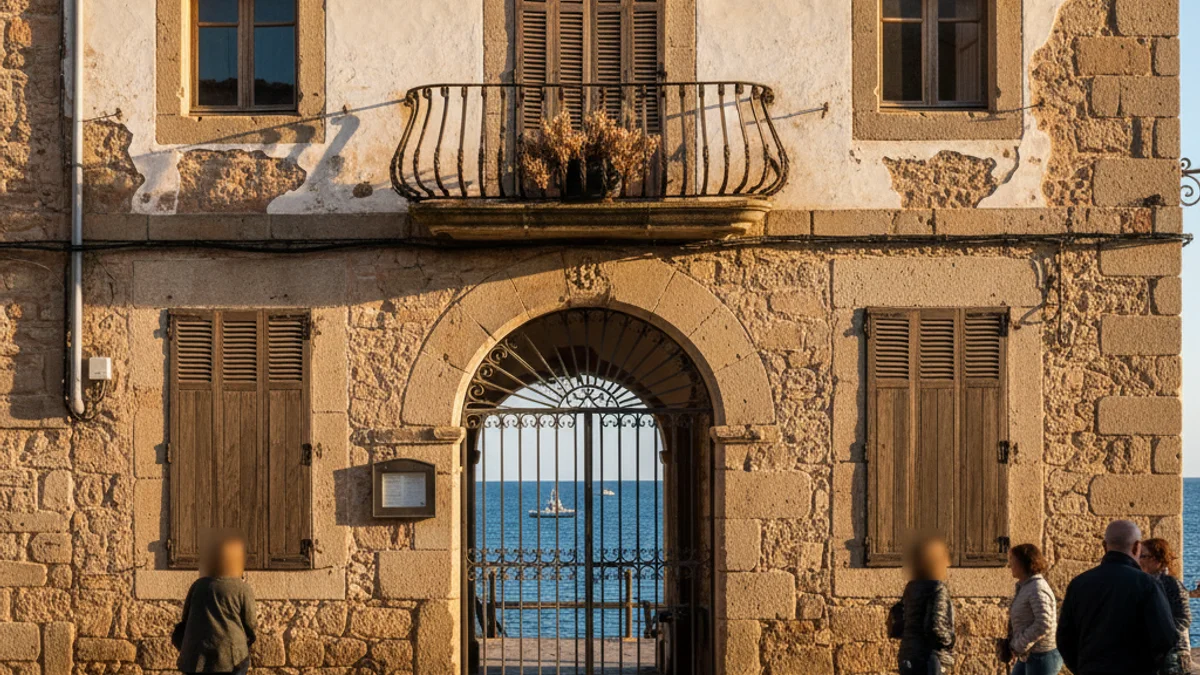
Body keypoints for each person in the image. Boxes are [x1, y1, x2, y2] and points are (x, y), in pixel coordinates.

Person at [1056, 520, 1177, 675]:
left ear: (1104, 546)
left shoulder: (1079, 584)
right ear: (1136, 547)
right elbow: (1166, 637)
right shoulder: (1147, 584)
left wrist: (1082, 668)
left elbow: (1064, 638)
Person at [173, 533, 257, 675]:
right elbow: (250, 623)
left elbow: (185, 618)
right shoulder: (242, 589)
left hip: (197, 657)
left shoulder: (198, 586)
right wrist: (248, 641)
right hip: (231, 657)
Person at [891, 535, 955, 675]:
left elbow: (898, 615)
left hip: (908, 654)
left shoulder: (911, 587)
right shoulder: (938, 588)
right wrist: (949, 641)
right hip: (929, 657)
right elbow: (936, 625)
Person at [1003, 543, 1062, 675]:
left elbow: (1044, 623)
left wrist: (1019, 645)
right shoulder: (1026, 587)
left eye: (1013, 560)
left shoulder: (1037, 588)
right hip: (1028, 655)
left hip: (1042, 657)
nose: (1010, 565)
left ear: (1024, 563)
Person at [1138, 538, 1193, 675]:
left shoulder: (1170, 583)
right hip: (1156, 654)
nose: (1139, 560)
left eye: (1143, 556)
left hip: (1173, 656)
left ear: (1157, 559)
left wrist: (1162, 634)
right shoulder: (1146, 582)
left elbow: (1184, 618)